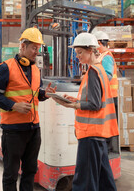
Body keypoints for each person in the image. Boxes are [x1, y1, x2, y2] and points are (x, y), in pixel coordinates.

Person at [0, 27, 56, 191]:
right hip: (14, 131)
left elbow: (33, 94)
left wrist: (44, 94)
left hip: (33, 129)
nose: (36, 52)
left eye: (38, 49)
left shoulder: (35, 69)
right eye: (33, 48)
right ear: (23, 46)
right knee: (11, 173)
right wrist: (13, 105)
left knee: (30, 171)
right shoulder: (6, 68)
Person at [52, 32, 119, 191]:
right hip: (99, 135)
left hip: (90, 135)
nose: (78, 57)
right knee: (104, 180)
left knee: (84, 182)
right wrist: (75, 100)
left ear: (91, 50)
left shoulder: (93, 73)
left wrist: (72, 106)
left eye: (80, 52)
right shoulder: (100, 70)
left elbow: (94, 104)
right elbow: (94, 99)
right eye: (76, 53)